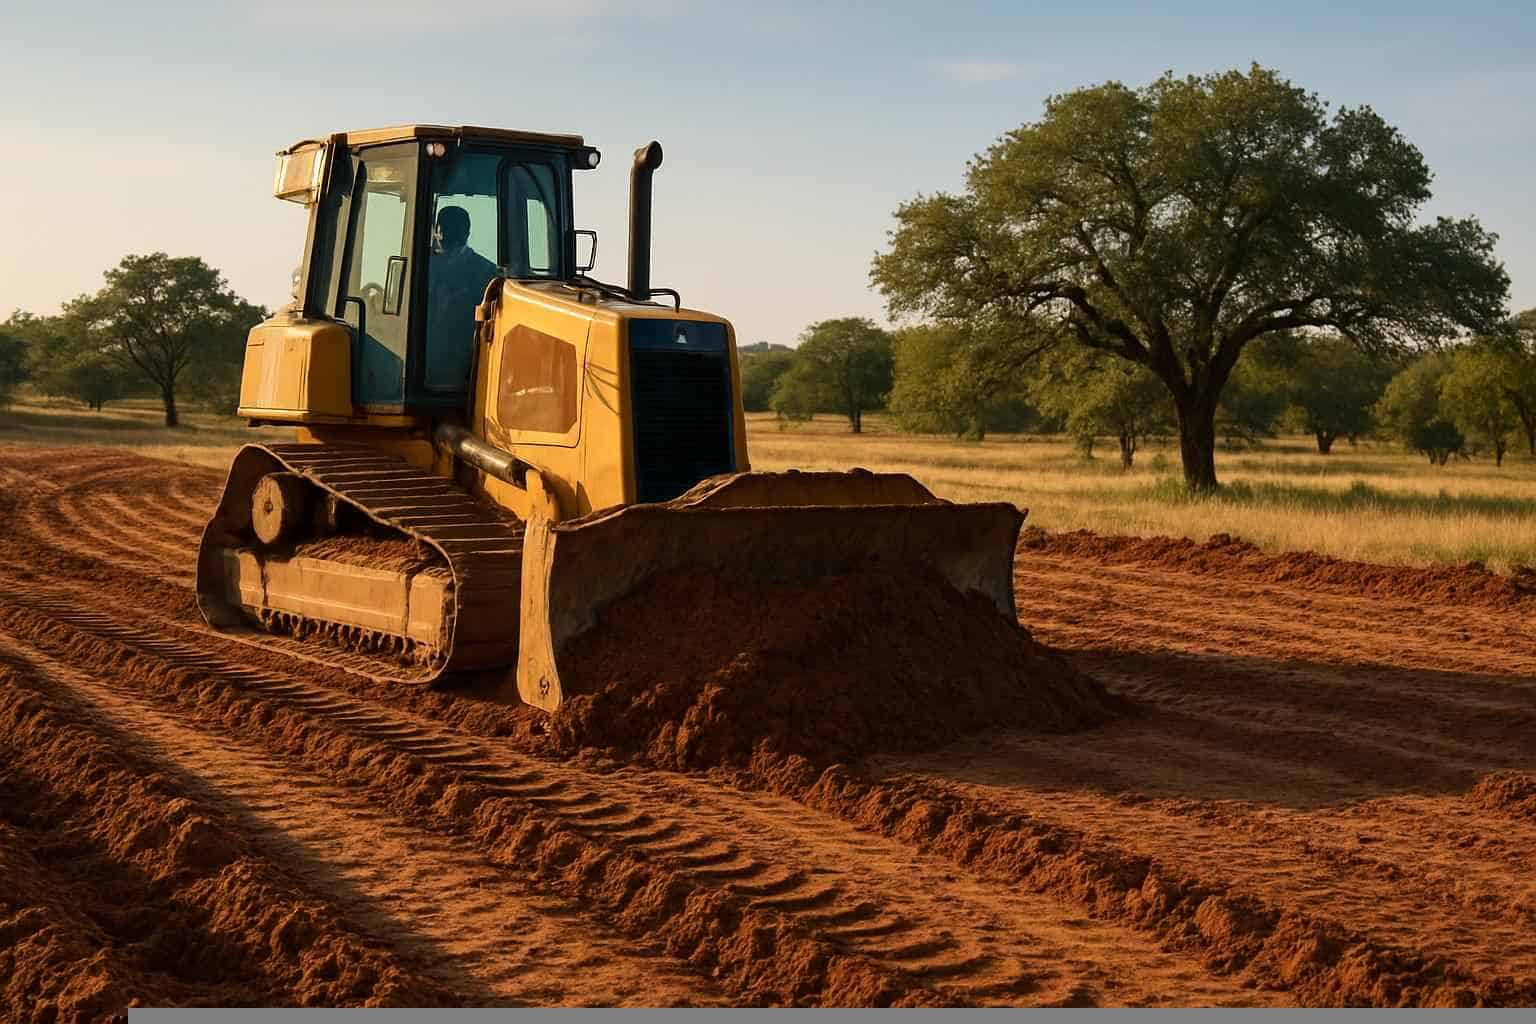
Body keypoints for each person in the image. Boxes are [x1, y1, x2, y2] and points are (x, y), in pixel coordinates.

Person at [425, 205, 498, 390]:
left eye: (448, 231)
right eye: (440, 230)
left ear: (465, 234)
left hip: (462, 363)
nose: (441, 236)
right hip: (426, 357)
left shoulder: (486, 273)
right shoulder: (423, 266)